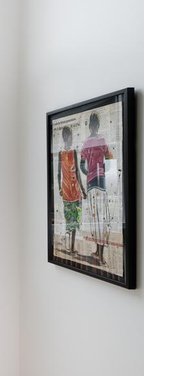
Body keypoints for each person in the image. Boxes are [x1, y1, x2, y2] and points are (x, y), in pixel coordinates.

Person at [79, 112, 115, 265]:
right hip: (100, 182)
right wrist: (104, 171)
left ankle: (99, 253)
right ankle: (99, 254)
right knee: (102, 218)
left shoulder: (86, 143)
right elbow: (110, 157)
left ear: (90, 126)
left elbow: (82, 165)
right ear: (98, 125)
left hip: (91, 182)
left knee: (95, 218)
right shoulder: (101, 140)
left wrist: (89, 173)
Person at [57, 126, 85, 256]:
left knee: (73, 221)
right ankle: (70, 247)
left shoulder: (72, 152)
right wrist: (59, 188)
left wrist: (82, 190)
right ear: (66, 138)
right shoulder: (63, 153)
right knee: (70, 221)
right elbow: (59, 173)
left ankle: (71, 247)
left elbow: (77, 173)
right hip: (68, 192)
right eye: (70, 136)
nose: (72, 138)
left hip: (74, 191)